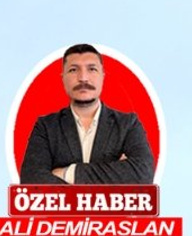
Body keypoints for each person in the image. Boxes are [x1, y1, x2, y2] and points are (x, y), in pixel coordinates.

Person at [19, 43, 155, 185]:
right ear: (63, 78)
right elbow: (31, 179)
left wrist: (69, 173)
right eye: (73, 70)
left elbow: (143, 173)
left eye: (92, 69)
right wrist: (116, 173)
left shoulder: (127, 124)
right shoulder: (46, 127)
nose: (83, 78)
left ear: (103, 76)